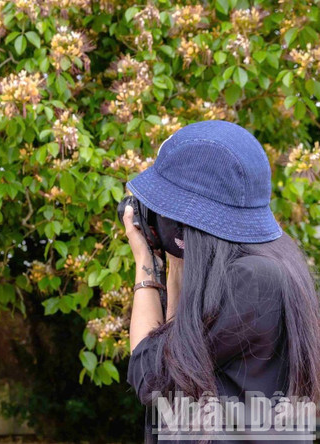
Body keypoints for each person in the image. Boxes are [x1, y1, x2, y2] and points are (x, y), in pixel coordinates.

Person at [122, 120, 320, 443]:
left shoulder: (251, 282)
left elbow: (148, 374)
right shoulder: (268, 267)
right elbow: (175, 368)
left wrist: (145, 261)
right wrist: (175, 273)